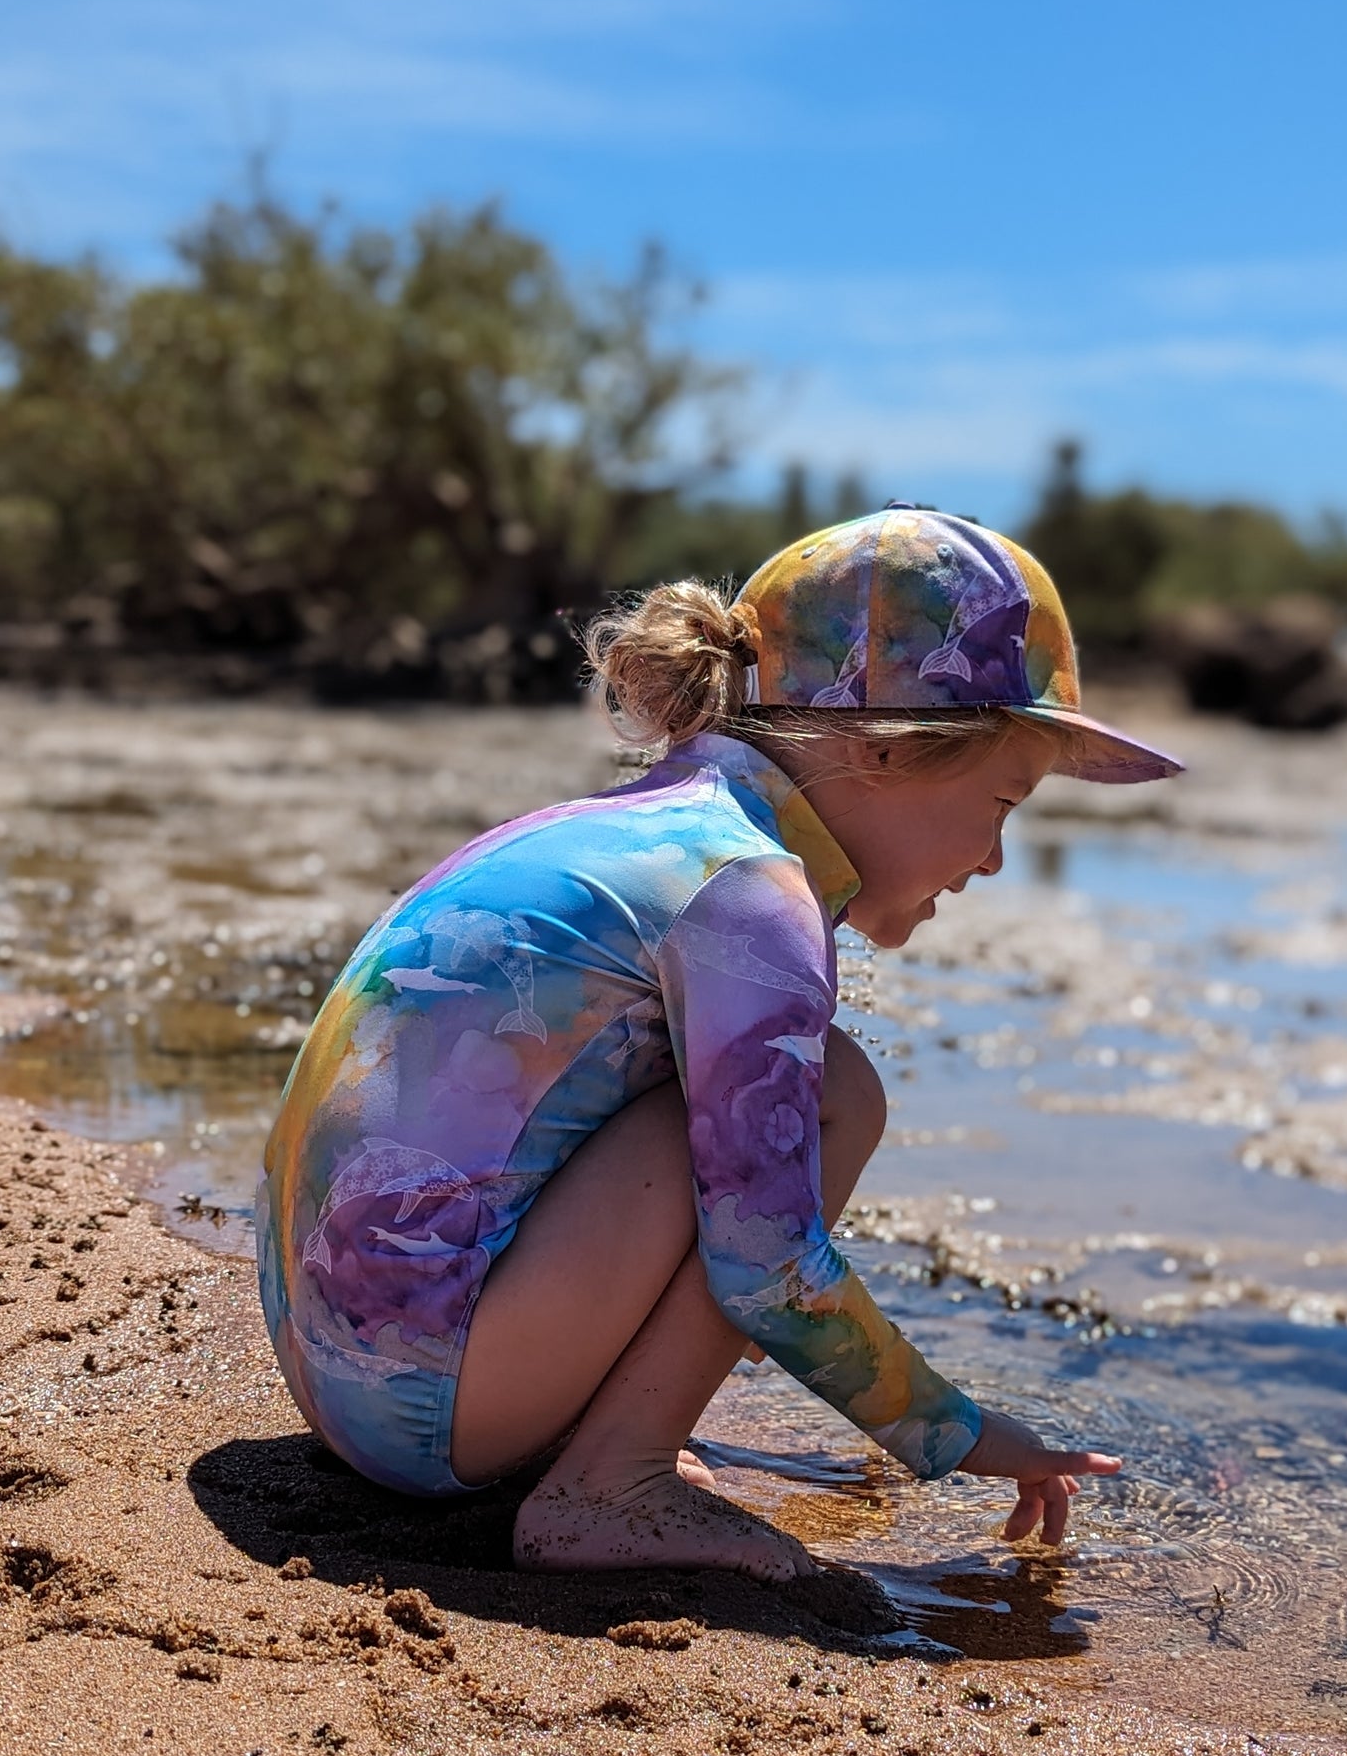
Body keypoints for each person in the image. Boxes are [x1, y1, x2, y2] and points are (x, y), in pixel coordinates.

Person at [257, 505, 1181, 1580]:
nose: (991, 860)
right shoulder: (755, 894)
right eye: (1001, 803)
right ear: (886, 750)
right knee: (837, 1094)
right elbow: (765, 1261)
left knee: (744, 1102)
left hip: (334, 1372)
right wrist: (958, 1430)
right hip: (423, 1410)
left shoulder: (641, 826)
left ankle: (588, 1439)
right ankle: (611, 1483)